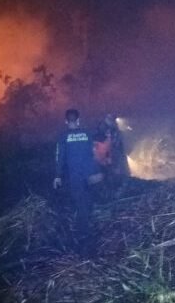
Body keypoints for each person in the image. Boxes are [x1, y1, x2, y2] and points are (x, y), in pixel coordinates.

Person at [54, 109, 100, 254]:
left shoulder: (63, 137)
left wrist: (57, 175)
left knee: (80, 203)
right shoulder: (87, 134)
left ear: (66, 121)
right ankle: (87, 228)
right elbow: (94, 154)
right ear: (79, 120)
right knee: (86, 201)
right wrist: (96, 172)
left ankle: (84, 234)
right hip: (89, 175)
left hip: (75, 177)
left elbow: (59, 157)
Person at [97, 114, 130, 188]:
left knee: (119, 173)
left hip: (116, 156)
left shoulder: (115, 131)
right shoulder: (106, 130)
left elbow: (117, 145)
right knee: (114, 173)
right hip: (112, 156)